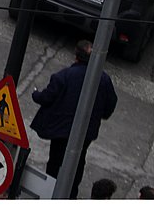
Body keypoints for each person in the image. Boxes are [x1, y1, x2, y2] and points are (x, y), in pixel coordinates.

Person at [30, 40, 118, 199]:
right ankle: (70, 195)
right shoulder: (104, 80)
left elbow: (47, 97)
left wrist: (35, 94)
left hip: (61, 130)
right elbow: (110, 105)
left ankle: (51, 192)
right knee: (78, 162)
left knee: (56, 161)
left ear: (76, 56)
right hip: (86, 133)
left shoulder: (64, 76)